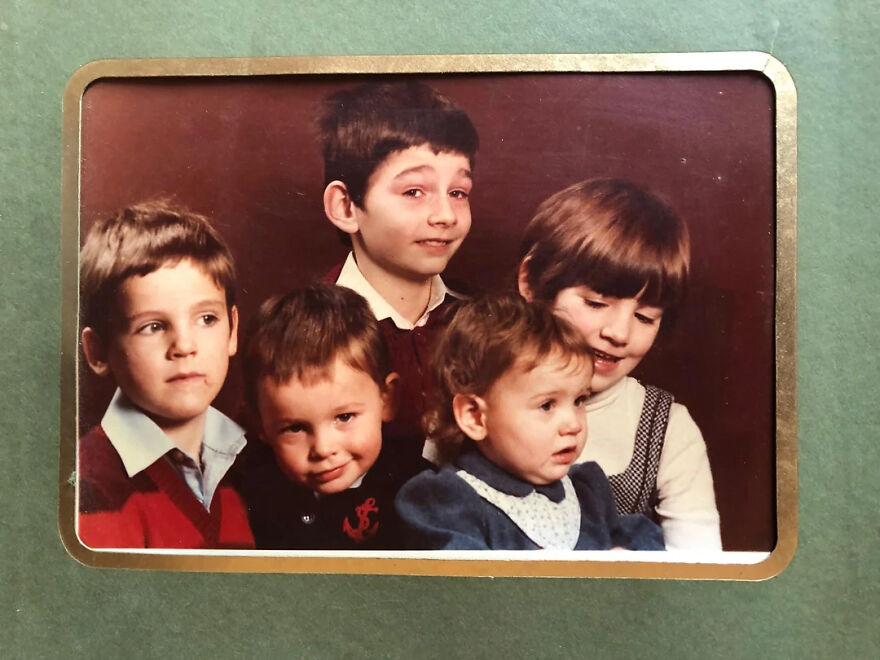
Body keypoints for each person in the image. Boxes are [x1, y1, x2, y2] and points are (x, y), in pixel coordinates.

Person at [517, 178, 721, 550]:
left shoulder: (669, 430)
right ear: (530, 282)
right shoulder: (476, 395)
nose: (619, 333)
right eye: (596, 303)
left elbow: (700, 568)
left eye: (645, 317)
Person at [395, 293, 664, 551]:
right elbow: (464, 588)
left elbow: (640, 544)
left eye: (580, 400)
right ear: (474, 417)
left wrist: (627, 559)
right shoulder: (448, 501)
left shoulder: (586, 492)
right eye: (547, 405)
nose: (573, 424)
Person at [317, 80, 479, 470]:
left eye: (458, 192)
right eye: (414, 192)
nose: (445, 215)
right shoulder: (307, 332)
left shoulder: (482, 319)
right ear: (346, 206)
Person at [77, 201, 254, 549]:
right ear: (98, 352)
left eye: (206, 319)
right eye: (153, 326)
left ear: (232, 330)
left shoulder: (251, 463)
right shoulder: (92, 488)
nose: (184, 346)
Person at [236, 284, 428, 550]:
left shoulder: (419, 489)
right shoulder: (249, 493)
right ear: (261, 426)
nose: (323, 449)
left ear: (387, 399)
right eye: (295, 428)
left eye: (345, 417)